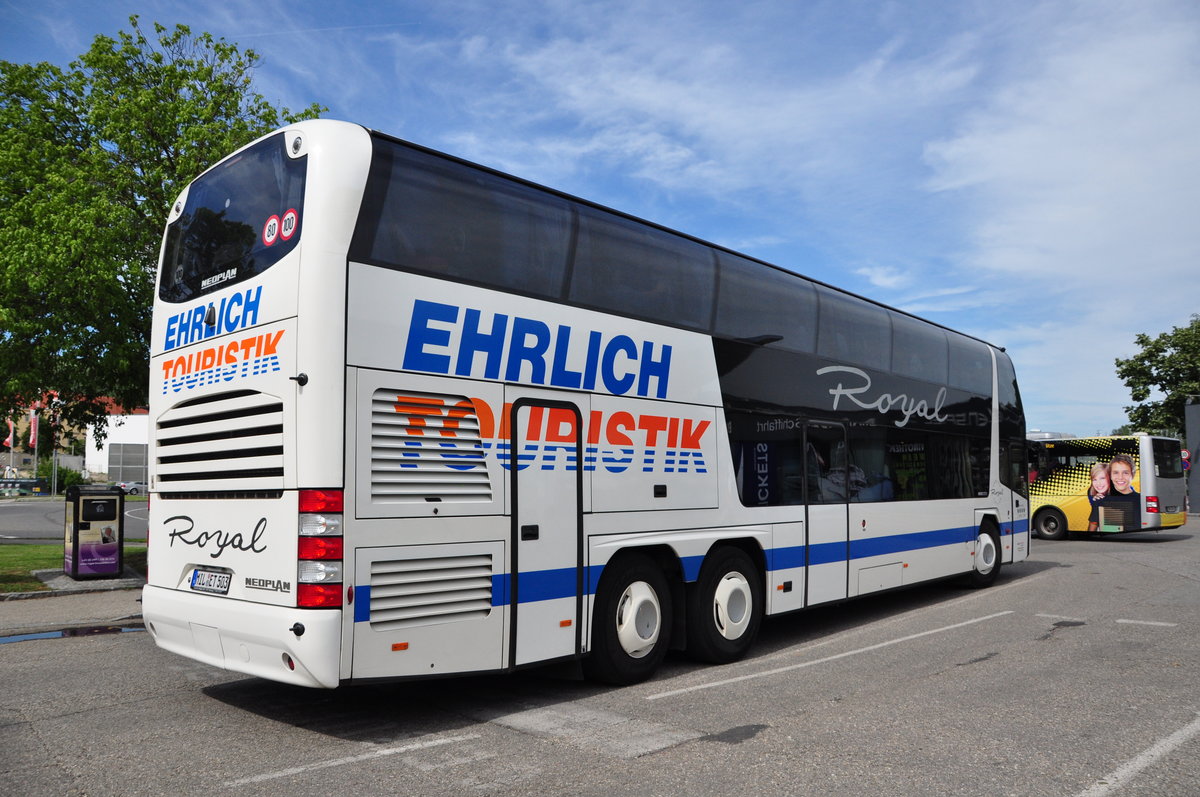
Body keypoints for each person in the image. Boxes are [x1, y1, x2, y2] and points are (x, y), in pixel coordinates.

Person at [1088, 454, 1140, 531]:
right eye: (1116, 473)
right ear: (1110, 476)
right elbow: (1091, 532)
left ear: (1132, 475)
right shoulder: (1100, 501)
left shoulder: (1142, 500)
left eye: (1125, 473)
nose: (1120, 477)